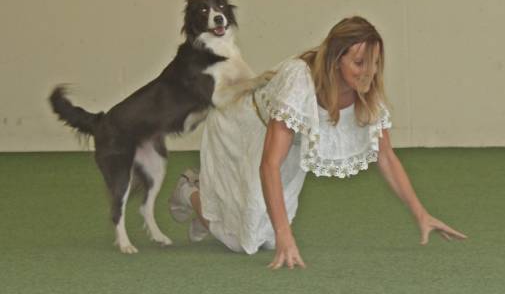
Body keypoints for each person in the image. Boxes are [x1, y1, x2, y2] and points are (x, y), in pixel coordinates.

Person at [169, 16, 467, 269]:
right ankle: (189, 190)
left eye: (375, 63)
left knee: (267, 238)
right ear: (336, 60)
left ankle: (209, 211)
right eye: (359, 62)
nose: (369, 72)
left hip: (287, 145)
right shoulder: (300, 81)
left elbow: (385, 156)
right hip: (246, 126)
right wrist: (286, 235)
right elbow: (269, 164)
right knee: (244, 240)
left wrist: (421, 213)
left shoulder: (366, 91)